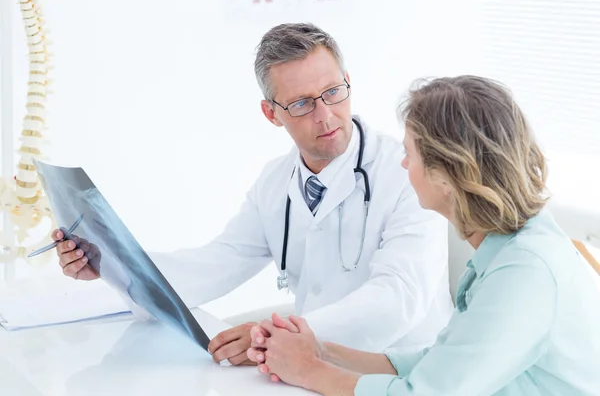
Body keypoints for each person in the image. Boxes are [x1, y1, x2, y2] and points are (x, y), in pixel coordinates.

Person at [52, 23, 453, 366]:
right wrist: (111, 264)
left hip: (402, 368)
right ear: (271, 113)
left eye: (333, 91)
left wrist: (280, 334)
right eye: (300, 103)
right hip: (310, 365)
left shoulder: (408, 171)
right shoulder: (275, 182)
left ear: (349, 83)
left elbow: (399, 299)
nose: (324, 114)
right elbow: (216, 262)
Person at [246, 75, 600, 395]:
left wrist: (309, 370)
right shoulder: (509, 248)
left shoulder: (525, 273)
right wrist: (320, 350)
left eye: (409, 154)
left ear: (447, 175)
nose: (403, 165)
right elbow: (438, 364)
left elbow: (425, 392)